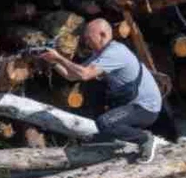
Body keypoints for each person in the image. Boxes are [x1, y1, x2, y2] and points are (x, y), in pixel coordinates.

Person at [40, 18, 164, 162]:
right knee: (100, 133)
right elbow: (72, 76)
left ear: (103, 35)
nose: (87, 42)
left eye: (89, 38)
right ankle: (123, 145)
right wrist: (53, 63)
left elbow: (84, 74)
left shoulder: (115, 52)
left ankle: (146, 139)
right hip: (132, 105)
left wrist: (59, 58)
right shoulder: (100, 54)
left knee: (106, 123)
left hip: (146, 108)